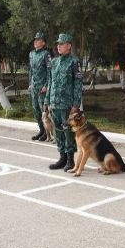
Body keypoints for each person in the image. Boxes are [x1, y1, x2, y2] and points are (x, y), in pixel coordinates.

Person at [44, 33, 82, 171]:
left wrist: (76, 104)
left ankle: (70, 160)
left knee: (68, 132)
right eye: (58, 44)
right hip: (55, 103)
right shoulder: (54, 62)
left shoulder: (74, 62)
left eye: (61, 44)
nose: (58, 46)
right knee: (58, 132)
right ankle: (62, 158)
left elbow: (77, 84)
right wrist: (48, 101)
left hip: (67, 105)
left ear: (69, 46)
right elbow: (50, 82)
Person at [29, 31, 52, 141]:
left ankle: (47, 133)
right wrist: (30, 83)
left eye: (38, 40)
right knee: (36, 110)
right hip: (34, 86)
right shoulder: (31, 54)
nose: (35, 42)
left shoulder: (46, 54)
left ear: (43, 43)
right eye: (35, 40)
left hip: (42, 87)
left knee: (44, 111)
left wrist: (46, 85)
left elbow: (49, 71)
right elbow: (31, 71)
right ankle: (41, 130)